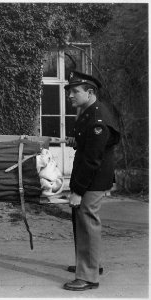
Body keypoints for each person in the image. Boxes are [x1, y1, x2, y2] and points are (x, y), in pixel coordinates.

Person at [63, 71, 120, 291]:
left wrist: (77, 190)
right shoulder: (89, 111)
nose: (70, 95)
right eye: (69, 91)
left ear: (90, 92)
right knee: (81, 219)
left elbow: (92, 158)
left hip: (93, 178)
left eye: (75, 91)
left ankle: (88, 276)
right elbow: (89, 144)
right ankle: (88, 264)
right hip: (89, 174)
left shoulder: (98, 118)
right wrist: (75, 140)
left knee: (87, 220)